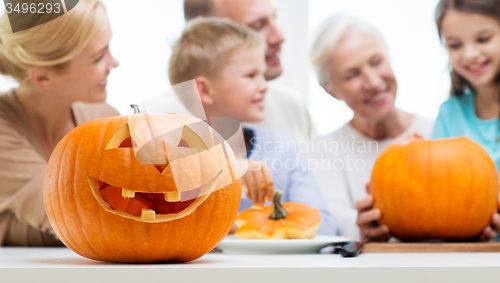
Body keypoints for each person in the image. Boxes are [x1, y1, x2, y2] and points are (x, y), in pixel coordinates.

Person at [167, 17, 335, 235]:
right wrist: (227, 170)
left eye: (263, 74)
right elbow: (167, 226)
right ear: (204, 91)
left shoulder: (284, 147)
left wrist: (258, 226)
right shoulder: (171, 157)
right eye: (251, 75)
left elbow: (325, 228)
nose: (264, 86)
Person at [0, 0, 119, 246]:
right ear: (42, 76)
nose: (114, 63)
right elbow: (75, 217)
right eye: (98, 57)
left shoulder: (103, 115)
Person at [306, 14, 434, 241]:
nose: (373, 82)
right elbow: (332, 217)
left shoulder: (439, 133)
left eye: (376, 62)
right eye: (352, 74)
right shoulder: (321, 151)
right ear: (330, 90)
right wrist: (360, 227)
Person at [142, 0, 317, 143]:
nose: (280, 36)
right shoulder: (154, 124)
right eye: (257, 26)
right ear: (208, 35)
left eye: (275, 17)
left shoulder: (291, 108)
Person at [430, 0, 500, 241]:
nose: (469, 54)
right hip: (470, 261)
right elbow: (437, 194)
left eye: (483, 39)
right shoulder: (449, 115)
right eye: (455, 44)